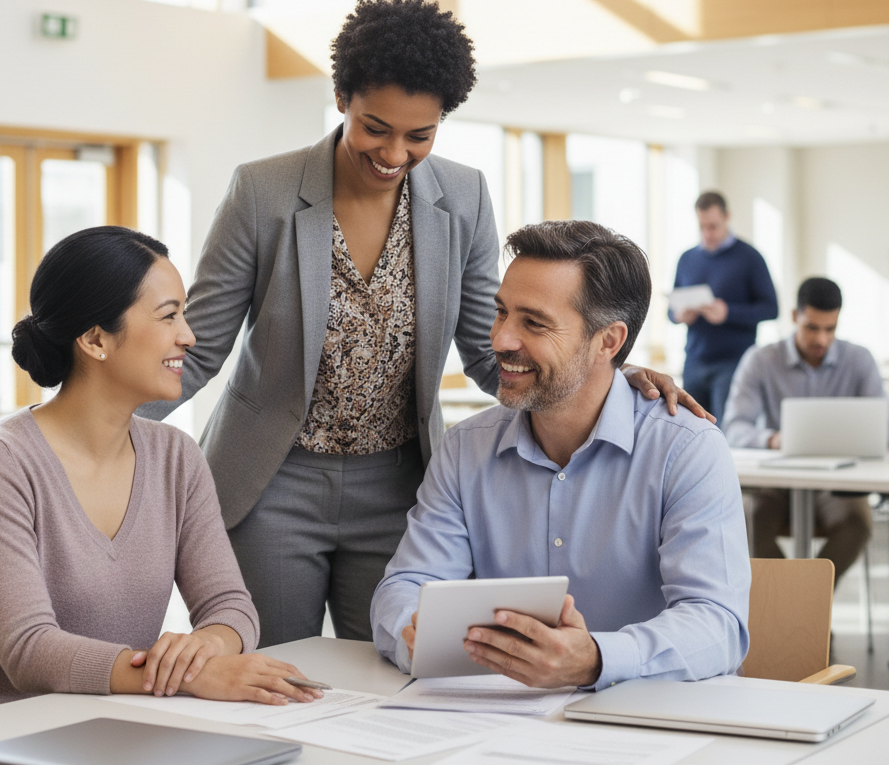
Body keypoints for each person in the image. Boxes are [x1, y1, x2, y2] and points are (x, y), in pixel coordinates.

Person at [141, 0, 706, 648]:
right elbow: (198, 345)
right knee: (272, 670)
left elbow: (490, 346)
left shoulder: (462, 198)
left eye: (420, 135)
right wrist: (89, 422)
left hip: (401, 487)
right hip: (273, 482)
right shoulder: (262, 192)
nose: (395, 152)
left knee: (396, 668)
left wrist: (607, 374)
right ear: (341, 101)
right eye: (375, 127)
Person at [0, 226, 321, 720]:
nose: (188, 336)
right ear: (95, 340)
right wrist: (190, 678)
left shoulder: (177, 457)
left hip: (107, 724)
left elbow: (230, 604)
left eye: (184, 315)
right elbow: (28, 650)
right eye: (169, 316)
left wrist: (211, 644)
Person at [372, 220, 750, 688]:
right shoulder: (465, 449)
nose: (500, 340)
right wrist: (414, 630)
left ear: (608, 342)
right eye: (500, 313)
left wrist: (597, 658)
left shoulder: (687, 451)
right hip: (495, 724)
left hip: (644, 727)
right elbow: (405, 586)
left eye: (533, 323)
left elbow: (718, 625)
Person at [724, 276, 884, 583]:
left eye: (830, 329)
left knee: (858, 522)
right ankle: (797, 610)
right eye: (812, 327)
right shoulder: (760, 360)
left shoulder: (859, 361)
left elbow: (882, 429)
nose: (821, 339)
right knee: (749, 516)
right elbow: (734, 426)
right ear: (795, 317)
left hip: (838, 484)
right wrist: (772, 439)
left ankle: (807, 607)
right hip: (776, 482)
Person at [670, 191, 778, 423]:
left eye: (713, 226)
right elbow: (671, 311)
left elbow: (771, 308)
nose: (707, 233)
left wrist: (728, 313)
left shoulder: (750, 257)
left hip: (733, 362)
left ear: (727, 217)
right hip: (694, 361)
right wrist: (680, 315)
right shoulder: (687, 259)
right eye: (702, 226)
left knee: (726, 431)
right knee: (691, 431)